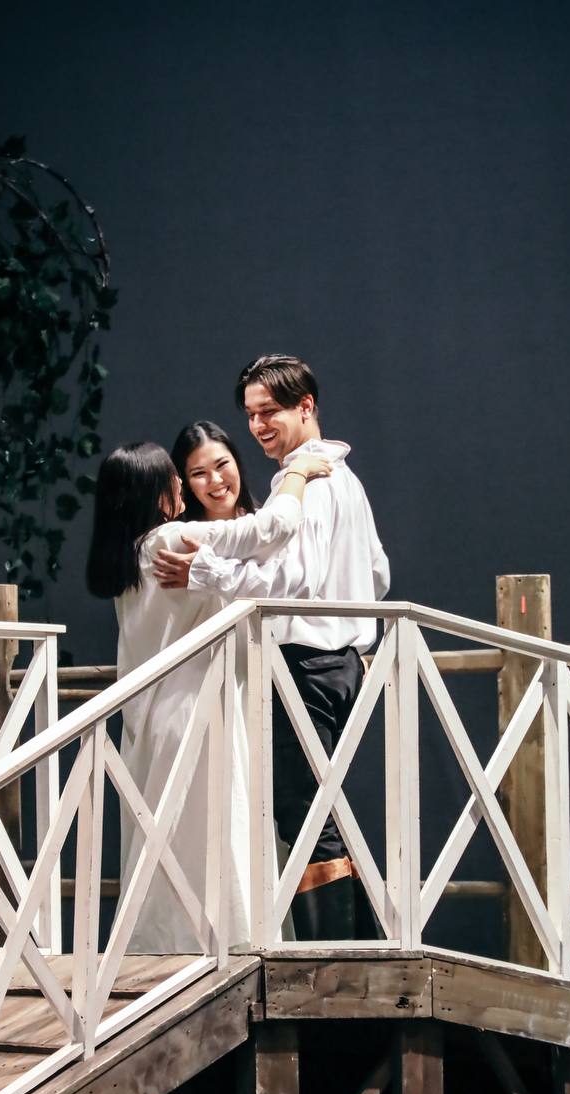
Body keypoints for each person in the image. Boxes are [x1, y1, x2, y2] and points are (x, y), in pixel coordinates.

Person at [153, 355, 390, 941]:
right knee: (318, 807)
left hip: (305, 666)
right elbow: (378, 573)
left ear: (306, 406)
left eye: (270, 411)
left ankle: (332, 963)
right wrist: (358, 642)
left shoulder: (304, 482)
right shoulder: (347, 481)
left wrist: (204, 571)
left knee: (305, 814)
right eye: (251, 414)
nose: (258, 425)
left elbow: (294, 581)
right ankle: (363, 948)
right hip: (342, 665)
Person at [86, 438, 331, 953]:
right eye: (174, 478)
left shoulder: (128, 558)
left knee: (169, 845)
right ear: (156, 493)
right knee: (217, 837)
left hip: (150, 719)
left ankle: (162, 955)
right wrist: (299, 472)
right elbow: (272, 527)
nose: (181, 484)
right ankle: (231, 950)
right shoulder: (171, 538)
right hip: (197, 709)